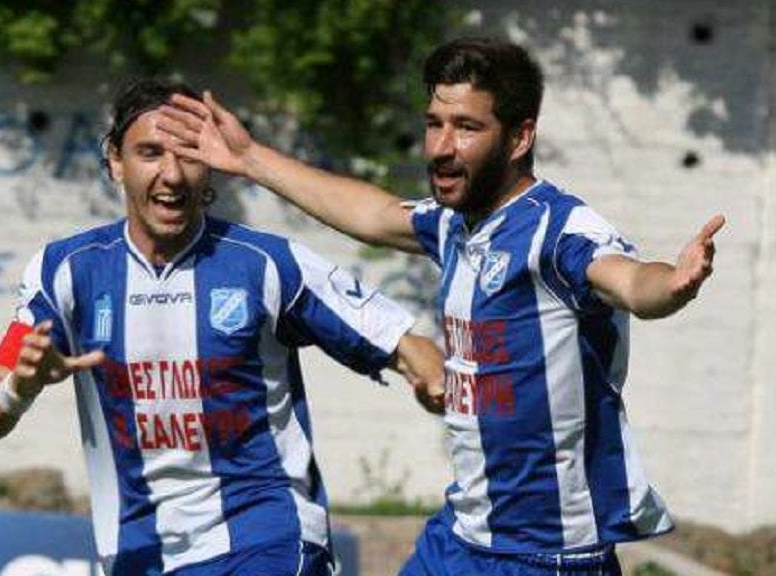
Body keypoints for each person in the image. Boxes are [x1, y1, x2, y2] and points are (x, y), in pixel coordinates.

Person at [159, 37, 725, 576]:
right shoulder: (455, 224)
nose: (441, 147)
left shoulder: (558, 230)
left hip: (547, 556)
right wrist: (250, 158)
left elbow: (629, 281)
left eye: (467, 127)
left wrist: (672, 285)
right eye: (435, 124)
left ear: (519, 137)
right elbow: (375, 216)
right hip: (460, 538)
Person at [0, 79, 446, 576]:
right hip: (138, 554)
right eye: (150, 153)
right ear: (115, 161)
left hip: (266, 542)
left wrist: (434, 381)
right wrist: (19, 388)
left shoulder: (266, 264)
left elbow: (407, 344)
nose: (172, 175)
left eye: (189, 155)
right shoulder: (66, 272)